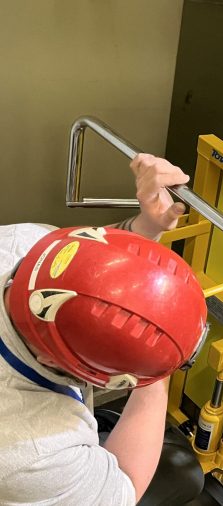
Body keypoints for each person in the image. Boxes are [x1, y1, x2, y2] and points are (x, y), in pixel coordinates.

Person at [0, 154, 208, 504]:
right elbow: (124, 488)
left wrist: (147, 225)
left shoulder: (23, 243)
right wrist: (158, 369)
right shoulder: (33, 451)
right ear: (49, 359)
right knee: (185, 474)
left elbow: (87, 266)